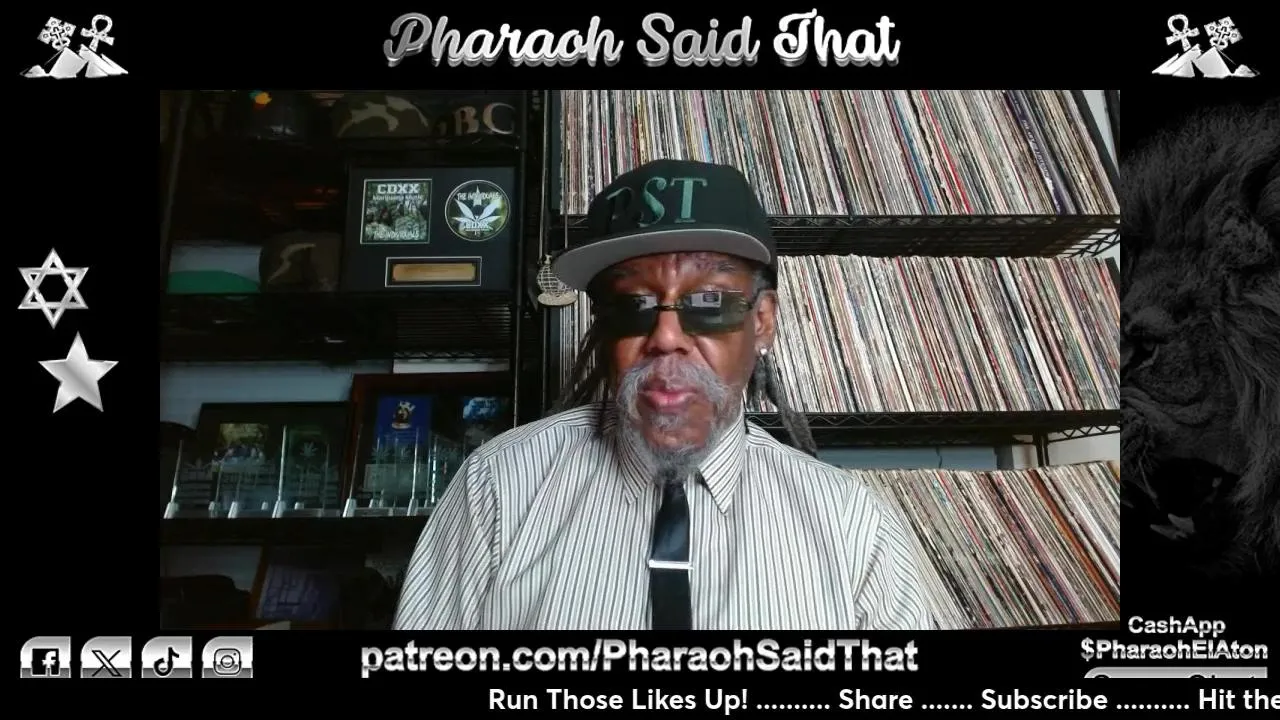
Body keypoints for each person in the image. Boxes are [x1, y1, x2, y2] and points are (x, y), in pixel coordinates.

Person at [394, 159, 933, 630]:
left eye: (708, 303)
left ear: (763, 321)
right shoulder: (499, 485)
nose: (666, 336)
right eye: (633, 305)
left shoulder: (851, 522)